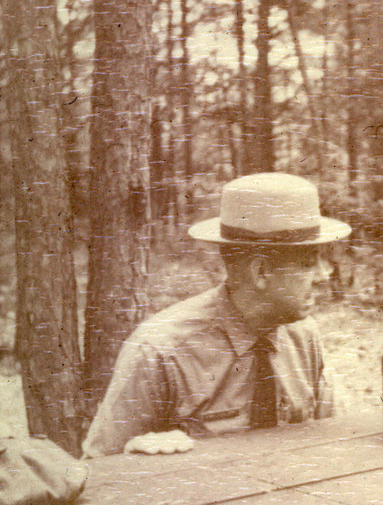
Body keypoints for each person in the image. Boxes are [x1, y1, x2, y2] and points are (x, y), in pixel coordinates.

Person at [82, 172, 351, 458]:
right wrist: (134, 459)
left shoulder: (302, 337)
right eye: (309, 263)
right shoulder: (159, 353)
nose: (324, 275)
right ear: (261, 272)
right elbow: (99, 474)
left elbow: (333, 445)